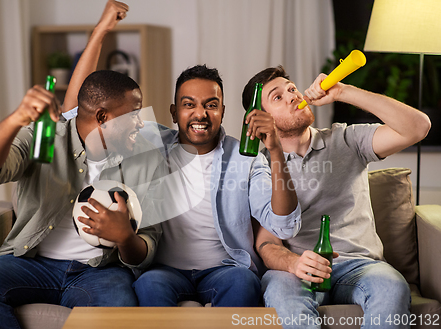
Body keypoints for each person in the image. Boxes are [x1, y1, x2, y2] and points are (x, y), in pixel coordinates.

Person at [61, 0, 302, 307]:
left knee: (243, 283)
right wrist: (100, 31)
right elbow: (75, 110)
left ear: (223, 112)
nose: (200, 114)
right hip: (162, 269)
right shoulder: (148, 140)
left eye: (211, 105)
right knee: (148, 286)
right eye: (189, 105)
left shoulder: (246, 158)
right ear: (174, 112)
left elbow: (283, 225)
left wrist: (276, 151)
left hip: (225, 269)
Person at [0, 4, 165, 329]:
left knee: (120, 306)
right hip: (32, 262)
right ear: (103, 118)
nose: (141, 123)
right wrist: (15, 119)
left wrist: (124, 238)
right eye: (133, 115)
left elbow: (146, 247)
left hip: (100, 272)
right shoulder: (47, 137)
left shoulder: (144, 155)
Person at [242, 65, 431, 328]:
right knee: (280, 291)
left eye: (292, 89)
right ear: (260, 119)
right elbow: (267, 244)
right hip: (299, 270)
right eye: (278, 97)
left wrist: (344, 91)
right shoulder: (261, 167)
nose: (293, 96)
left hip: (361, 266)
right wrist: (294, 263)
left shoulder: (347, 140)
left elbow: (419, 127)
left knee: (392, 287)